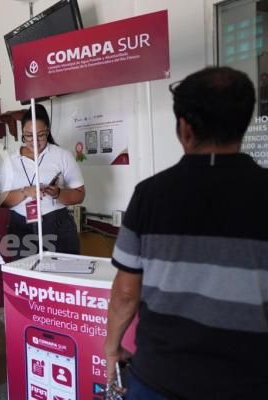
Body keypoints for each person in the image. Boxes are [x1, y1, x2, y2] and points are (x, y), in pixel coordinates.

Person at [105, 66, 268, 399]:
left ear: (185, 128)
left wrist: (111, 347)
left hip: (160, 376)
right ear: (245, 122)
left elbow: (125, 293)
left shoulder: (150, 195)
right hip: (252, 379)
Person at [0, 103, 85, 259]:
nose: (34, 141)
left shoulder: (62, 156)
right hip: (21, 228)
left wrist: (58, 193)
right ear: (22, 133)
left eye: (41, 135)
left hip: (57, 225)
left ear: (48, 131)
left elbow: (79, 195)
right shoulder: (10, 161)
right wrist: (24, 192)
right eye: (28, 135)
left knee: (63, 271)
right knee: (25, 272)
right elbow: (3, 200)